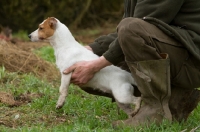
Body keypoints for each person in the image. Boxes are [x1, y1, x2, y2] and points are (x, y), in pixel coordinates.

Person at [64, 0, 200, 127]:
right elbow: (124, 33)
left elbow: (134, 29)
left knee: (130, 29)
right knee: (88, 60)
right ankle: (175, 101)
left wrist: (95, 65)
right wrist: (91, 50)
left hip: (193, 60)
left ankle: (155, 111)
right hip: (179, 51)